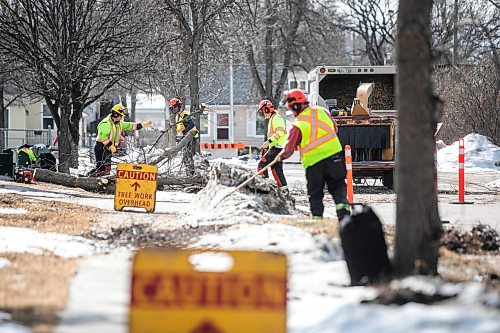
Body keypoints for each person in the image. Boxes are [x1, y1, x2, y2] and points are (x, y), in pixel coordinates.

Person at [275, 88, 351, 221]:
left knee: (315, 193)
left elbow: (288, 150)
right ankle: (345, 218)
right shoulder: (323, 112)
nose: (292, 112)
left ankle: (317, 220)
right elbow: (334, 129)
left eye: (292, 109)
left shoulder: (298, 125)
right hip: (334, 158)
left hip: (314, 164)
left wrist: (279, 157)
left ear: (296, 106)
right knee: (338, 188)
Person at [88, 103, 152, 177]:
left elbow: (129, 126)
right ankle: (93, 179)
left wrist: (141, 125)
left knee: (107, 168)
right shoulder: (105, 123)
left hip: (108, 148)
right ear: (115, 114)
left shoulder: (118, 124)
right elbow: (102, 137)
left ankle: (102, 180)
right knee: (101, 168)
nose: (121, 117)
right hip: (101, 147)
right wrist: (110, 145)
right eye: (120, 116)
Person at [257, 99, 288, 193]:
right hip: (277, 147)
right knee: (276, 170)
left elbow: (280, 132)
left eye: (263, 111)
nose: (262, 113)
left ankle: (264, 190)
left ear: (266, 109)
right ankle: (284, 192)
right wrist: (268, 145)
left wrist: (268, 141)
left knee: (262, 165)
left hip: (278, 148)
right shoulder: (273, 119)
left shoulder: (276, 118)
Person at [169, 98, 199, 176]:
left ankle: (191, 175)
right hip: (186, 139)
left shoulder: (184, 114)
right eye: (172, 107)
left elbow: (191, 124)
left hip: (191, 138)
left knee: (189, 156)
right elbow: (182, 128)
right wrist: (179, 137)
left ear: (178, 106)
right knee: (185, 157)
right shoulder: (178, 117)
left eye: (174, 107)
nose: (173, 109)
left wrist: (183, 133)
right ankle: (188, 174)